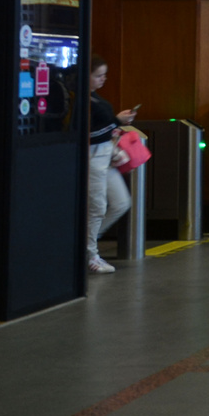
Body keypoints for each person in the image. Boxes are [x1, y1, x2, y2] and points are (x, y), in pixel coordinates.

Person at [85, 60, 136, 274]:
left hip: (106, 155)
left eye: (104, 75)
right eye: (98, 75)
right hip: (93, 158)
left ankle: (87, 240)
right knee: (96, 207)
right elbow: (88, 134)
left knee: (121, 202)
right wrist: (116, 122)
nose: (103, 79)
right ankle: (90, 254)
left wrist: (116, 126)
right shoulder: (82, 102)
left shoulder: (97, 98)